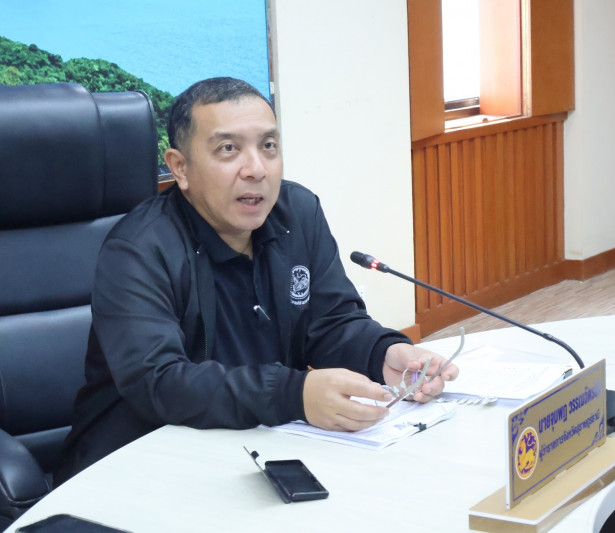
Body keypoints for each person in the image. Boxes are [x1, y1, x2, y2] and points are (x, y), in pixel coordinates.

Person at [55, 77, 458, 485]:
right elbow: (159, 381)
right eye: (228, 149)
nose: (256, 169)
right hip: (137, 464)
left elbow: (331, 323)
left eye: (268, 146)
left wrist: (382, 353)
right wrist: (293, 394)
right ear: (180, 168)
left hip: (257, 448)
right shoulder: (139, 249)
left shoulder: (297, 213)